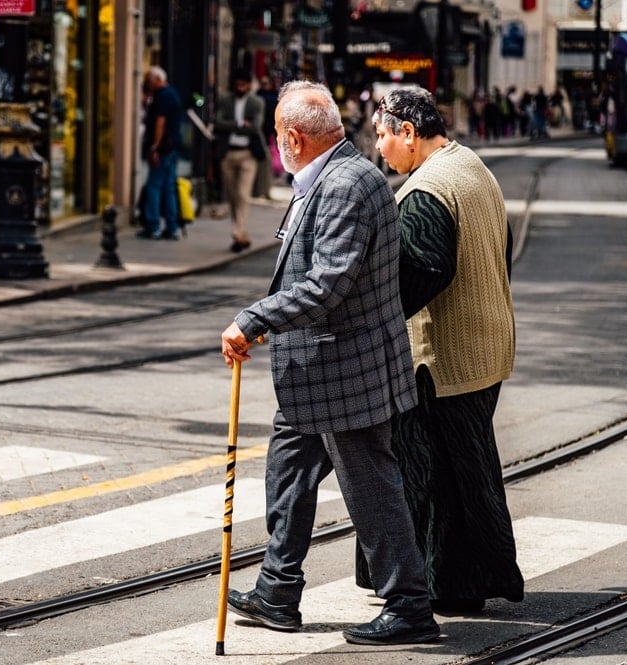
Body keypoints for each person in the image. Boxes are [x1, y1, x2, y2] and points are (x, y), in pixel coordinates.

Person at [220, 80, 438, 646]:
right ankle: (277, 588)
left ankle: (410, 604)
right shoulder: (336, 173)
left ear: (293, 137)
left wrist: (256, 318)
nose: (275, 144)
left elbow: (328, 284)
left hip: (346, 372)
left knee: (370, 486)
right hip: (319, 374)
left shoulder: (344, 185)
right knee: (288, 467)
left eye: (277, 135)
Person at [363, 86, 524, 614]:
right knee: (462, 473)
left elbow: (425, 270)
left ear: (408, 133)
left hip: (440, 358)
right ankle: (457, 582)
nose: (379, 148)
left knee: (421, 474)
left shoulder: (426, 191)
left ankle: (416, 586)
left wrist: (376, 323)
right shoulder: (471, 166)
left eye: (382, 135)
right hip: (485, 344)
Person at [213, 68, 266, 253]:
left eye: (243, 85)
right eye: (237, 85)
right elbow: (217, 123)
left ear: (249, 85)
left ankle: (238, 231)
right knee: (233, 196)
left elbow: (255, 128)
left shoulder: (256, 102)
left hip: (247, 155)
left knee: (243, 195)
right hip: (228, 154)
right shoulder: (225, 100)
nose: (240, 88)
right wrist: (238, 124)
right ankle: (242, 235)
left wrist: (232, 127)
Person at [138, 66, 183, 240]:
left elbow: (160, 123)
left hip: (164, 148)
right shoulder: (170, 93)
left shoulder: (163, 96)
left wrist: (155, 147)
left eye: (149, 80)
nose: (148, 84)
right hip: (172, 147)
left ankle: (153, 224)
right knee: (168, 187)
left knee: (154, 186)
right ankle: (171, 227)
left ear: (157, 79)